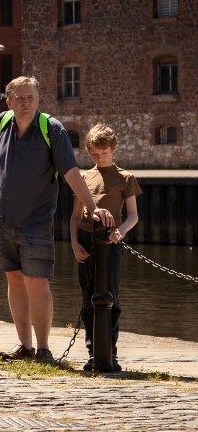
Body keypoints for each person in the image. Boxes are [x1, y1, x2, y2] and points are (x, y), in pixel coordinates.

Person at [0, 76, 115, 364]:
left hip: (36, 222)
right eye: (19, 97)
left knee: (37, 282)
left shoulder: (51, 130)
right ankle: (25, 346)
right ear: (9, 101)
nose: (25, 102)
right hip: (0, 220)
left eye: (30, 97)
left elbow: (71, 173)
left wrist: (92, 208)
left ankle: (43, 349)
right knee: (14, 280)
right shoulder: (2, 124)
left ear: (38, 99)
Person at [70, 124, 140, 372]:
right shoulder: (84, 178)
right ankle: (93, 352)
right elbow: (75, 217)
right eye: (95, 154)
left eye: (104, 153)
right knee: (89, 297)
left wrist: (121, 231)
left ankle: (110, 351)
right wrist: (74, 243)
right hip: (87, 241)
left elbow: (133, 216)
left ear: (113, 149)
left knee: (111, 297)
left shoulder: (125, 178)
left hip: (112, 243)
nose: (100, 158)